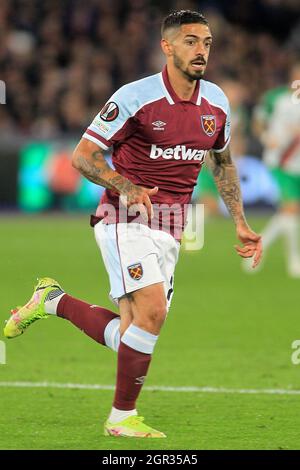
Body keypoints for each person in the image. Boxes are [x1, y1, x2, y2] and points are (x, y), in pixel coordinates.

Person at [4, 10, 262, 438]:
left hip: (173, 225)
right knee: (154, 313)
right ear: (167, 46)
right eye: (191, 41)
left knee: (132, 334)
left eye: (208, 43)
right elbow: (82, 156)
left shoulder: (217, 102)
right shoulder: (135, 97)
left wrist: (240, 220)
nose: (201, 51)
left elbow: (221, 160)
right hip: (124, 218)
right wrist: (124, 185)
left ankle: (53, 301)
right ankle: (121, 418)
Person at [243, 63, 300, 277]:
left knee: (288, 213)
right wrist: (268, 139)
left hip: (297, 164)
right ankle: (294, 263)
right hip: (280, 162)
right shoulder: (275, 98)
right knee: (291, 208)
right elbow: (258, 122)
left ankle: (258, 248)